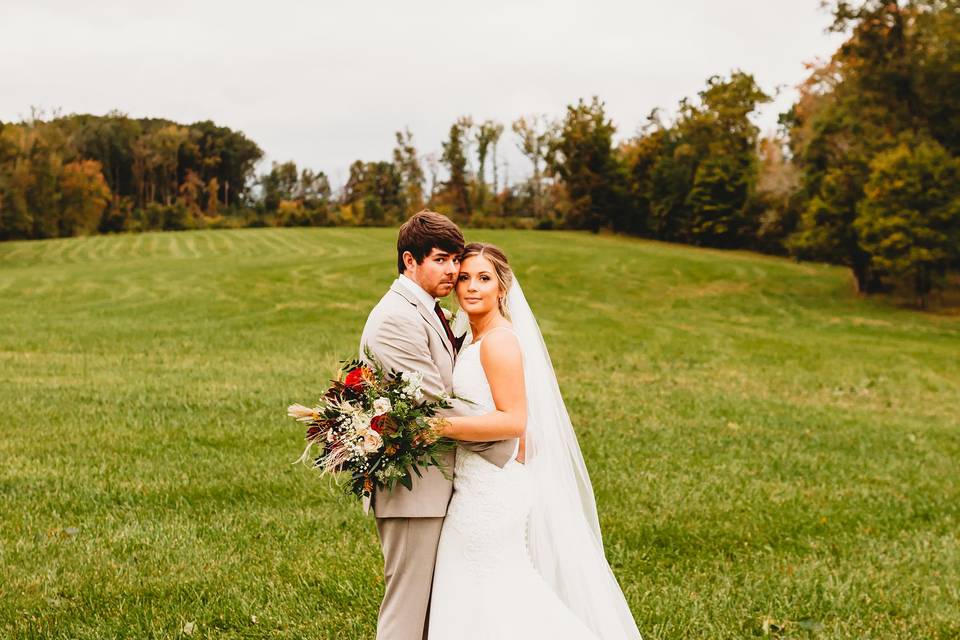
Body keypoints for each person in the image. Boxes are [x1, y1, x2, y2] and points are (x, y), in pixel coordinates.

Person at [426, 243, 642, 640]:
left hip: (492, 491)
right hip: (474, 483)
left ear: (502, 288)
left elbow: (514, 420)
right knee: (476, 591)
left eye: (484, 278)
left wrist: (440, 428)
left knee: (494, 589)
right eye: (465, 278)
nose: (472, 287)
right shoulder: (473, 340)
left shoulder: (499, 341)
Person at [358, 212, 516, 640]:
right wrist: (508, 438)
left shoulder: (426, 310)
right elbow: (431, 407)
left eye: (455, 262)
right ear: (410, 261)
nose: (452, 272)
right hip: (413, 488)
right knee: (406, 614)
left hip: (437, 484)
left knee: (433, 615)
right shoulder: (396, 318)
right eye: (442, 260)